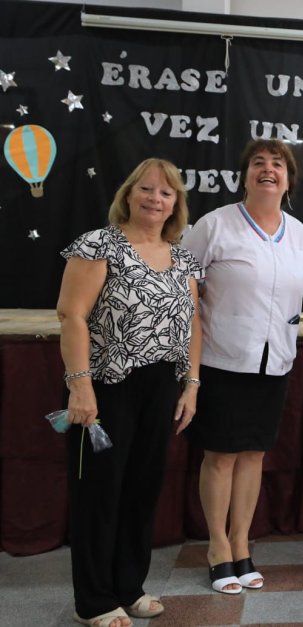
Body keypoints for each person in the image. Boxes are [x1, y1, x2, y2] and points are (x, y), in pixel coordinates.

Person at [57, 158, 201, 627]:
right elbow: (71, 315)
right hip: (104, 387)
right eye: (147, 189)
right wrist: (80, 387)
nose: (155, 199)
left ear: (176, 203)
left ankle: (129, 586)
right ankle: (95, 600)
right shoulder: (99, 245)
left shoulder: (182, 256)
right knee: (99, 493)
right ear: (128, 193)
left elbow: (194, 323)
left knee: (141, 491)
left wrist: (191, 386)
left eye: (166, 193)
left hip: (161, 386)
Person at [181, 139, 303, 594]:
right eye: (258, 162)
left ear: (289, 179)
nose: (268, 170)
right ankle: (217, 546)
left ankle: (242, 543)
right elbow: (183, 292)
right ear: (244, 175)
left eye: (278, 164)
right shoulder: (213, 226)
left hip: (275, 362)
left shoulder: (300, 235)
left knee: (254, 454)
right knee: (220, 456)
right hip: (221, 361)